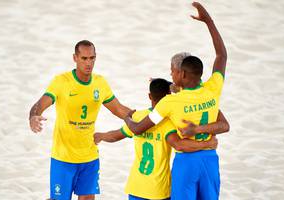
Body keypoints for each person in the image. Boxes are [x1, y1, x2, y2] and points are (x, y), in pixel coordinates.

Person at [123, 2, 227, 200]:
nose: (171, 73)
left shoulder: (170, 103)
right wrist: (209, 22)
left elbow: (137, 129)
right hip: (210, 160)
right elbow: (221, 54)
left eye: (172, 71)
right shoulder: (212, 88)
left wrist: (127, 118)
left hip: (186, 162)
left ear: (182, 73)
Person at [94, 78, 229, 200]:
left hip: (136, 187)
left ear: (149, 96)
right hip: (159, 190)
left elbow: (114, 136)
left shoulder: (138, 118)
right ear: (168, 97)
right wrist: (207, 143)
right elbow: (179, 145)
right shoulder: (168, 123)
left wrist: (101, 136)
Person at [29, 40, 131, 200]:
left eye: (92, 58)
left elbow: (118, 109)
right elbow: (40, 104)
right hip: (63, 157)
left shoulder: (100, 83)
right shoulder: (61, 81)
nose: (89, 63)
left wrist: (142, 117)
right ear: (75, 58)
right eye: (84, 58)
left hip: (89, 156)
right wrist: (34, 116)